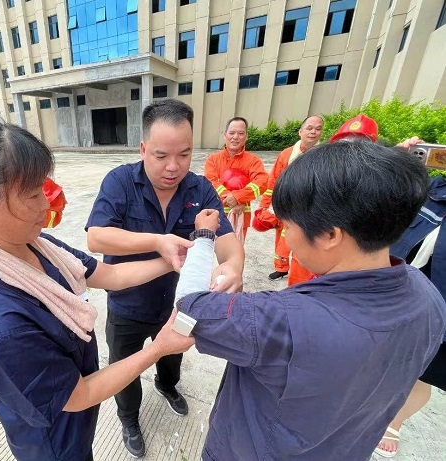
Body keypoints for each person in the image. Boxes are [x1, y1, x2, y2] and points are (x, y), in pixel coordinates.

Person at [0, 116, 195, 461]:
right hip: (54, 443)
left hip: (76, 422)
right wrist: (158, 348)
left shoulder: (38, 246)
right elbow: (80, 394)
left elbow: (108, 275)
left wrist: (171, 257)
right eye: (31, 194)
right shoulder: (0, 328)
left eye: (43, 188)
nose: (46, 204)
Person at [176, 141, 446, 461]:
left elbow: (189, 306)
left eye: (288, 226)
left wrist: (205, 237)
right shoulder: (427, 296)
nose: (286, 237)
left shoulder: (280, 321)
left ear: (330, 235)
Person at [85, 100, 245, 458]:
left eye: (184, 155)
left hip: (178, 302)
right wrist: (158, 242)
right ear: (143, 149)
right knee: (123, 366)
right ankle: (128, 418)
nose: (173, 167)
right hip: (129, 301)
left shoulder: (200, 189)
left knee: (172, 356)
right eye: (161, 156)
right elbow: (96, 236)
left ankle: (167, 385)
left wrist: (233, 267)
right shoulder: (121, 182)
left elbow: (228, 239)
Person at [373, 173, 446, 458]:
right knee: (377, 354)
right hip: (399, 286)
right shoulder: (432, 187)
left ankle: (394, 421)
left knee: (424, 371)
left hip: (440, 305)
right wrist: (400, 159)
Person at [286, 113, 381, 286]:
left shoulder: (378, 184)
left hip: (347, 262)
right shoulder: (320, 171)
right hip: (311, 242)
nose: (350, 154)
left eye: (360, 146)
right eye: (344, 146)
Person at [254, 115, 324, 281]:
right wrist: (266, 206)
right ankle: (282, 267)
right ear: (300, 131)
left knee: (307, 241)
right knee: (283, 238)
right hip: (286, 204)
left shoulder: (324, 156)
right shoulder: (286, 154)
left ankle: (306, 272)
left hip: (311, 207)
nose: (313, 132)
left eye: (318, 128)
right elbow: (273, 181)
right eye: (309, 128)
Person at [204, 117, 268, 242]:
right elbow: (210, 182)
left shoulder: (253, 161)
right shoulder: (213, 159)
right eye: (232, 133)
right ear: (225, 135)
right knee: (214, 253)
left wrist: (238, 197)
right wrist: (232, 198)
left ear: (246, 136)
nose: (235, 137)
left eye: (240, 133)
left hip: (241, 216)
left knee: (236, 253)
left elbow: (263, 181)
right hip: (216, 214)